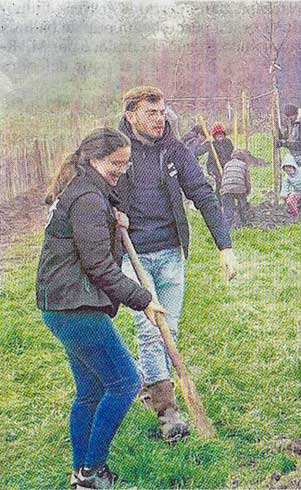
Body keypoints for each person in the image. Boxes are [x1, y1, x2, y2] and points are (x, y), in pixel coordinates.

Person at [36, 128, 165, 488]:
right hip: (74, 308)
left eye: (126, 163)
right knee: (126, 382)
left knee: (91, 391)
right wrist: (143, 300)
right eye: (115, 163)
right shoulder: (88, 198)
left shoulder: (88, 191)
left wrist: (115, 219)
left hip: (60, 305)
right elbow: (99, 266)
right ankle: (92, 471)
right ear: (94, 159)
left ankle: (82, 474)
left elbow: (94, 244)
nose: (121, 170)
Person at [114, 86, 238, 442]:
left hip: (170, 253)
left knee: (170, 329)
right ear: (131, 115)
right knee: (151, 330)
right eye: (150, 113)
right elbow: (93, 187)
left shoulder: (175, 150)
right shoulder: (116, 149)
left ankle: (149, 383)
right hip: (133, 256)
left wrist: (225, 246)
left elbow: (203, 194)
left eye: (162, 112)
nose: (159, 119)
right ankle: (168, 412)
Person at [220, 149, 252, 228]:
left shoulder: (227, 164)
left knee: (228, 209)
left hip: (226, 188)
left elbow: (223, 178)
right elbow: (247, 180)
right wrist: (248, 191)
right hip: (239, 188)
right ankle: (244, 221)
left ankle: (227, 225)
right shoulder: (243, 165)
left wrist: (222, 189)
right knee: (242, 205)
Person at [206, 123, 234, 200]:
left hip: (228, 168)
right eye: (218, 135)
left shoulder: (228, 143)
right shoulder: (213, 146)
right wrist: (213, 172)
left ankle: (231, 201)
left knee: (231, 187)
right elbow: (210, 161)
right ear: (214, 136)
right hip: (218, 170)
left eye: (221, 135)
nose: (220, 137)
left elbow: (232, 155)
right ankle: (218, 202)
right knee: (219, 187)